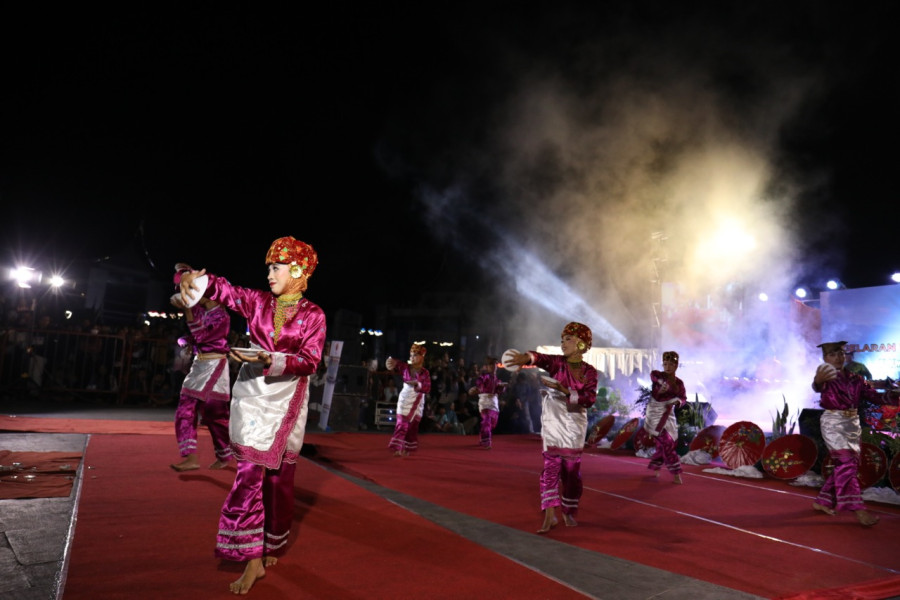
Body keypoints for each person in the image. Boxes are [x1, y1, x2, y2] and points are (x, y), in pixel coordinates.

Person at [178, 235, 325, 594]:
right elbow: (226, 290)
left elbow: (310, 361)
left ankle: (272, 544)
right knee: (248, 471)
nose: (270, 274)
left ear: (297, 270)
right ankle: (252, 557)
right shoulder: (258, 302)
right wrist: (197, 280)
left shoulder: (313, 315)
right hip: (250, 394)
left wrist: (271, 359)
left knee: (278, 478)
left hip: (287, 396)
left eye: (276, 267)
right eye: (269, 267)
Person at [505, 322, 598, 534]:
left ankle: (568, 509)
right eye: (562, 339)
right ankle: (550, 514)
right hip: (553, 418)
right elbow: (541, 358)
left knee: (571, 471)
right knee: (551, 466)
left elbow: (589, 399)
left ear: (581, 344)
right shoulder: (557, 363)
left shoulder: (590, 372)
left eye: (568, 339)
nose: (562, 343)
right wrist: (526, 358)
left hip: (574, 422)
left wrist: (563, 389)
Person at [811, 340, 899, 527]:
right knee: (846, 463)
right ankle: (858, 510)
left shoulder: (855, 378)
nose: (838, 357)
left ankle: (823, 501)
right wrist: (817, 381)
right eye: (833, 355)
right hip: (833, 423)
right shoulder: (825, 376)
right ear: (825, 358)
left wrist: (895, 394)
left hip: (852, 423)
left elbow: (874, 396)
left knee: (848, 464)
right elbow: (818, 386)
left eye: (841, 353)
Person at [170, 263, 233, 472]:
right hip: (203, 363)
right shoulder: (203, 309)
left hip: (213, 365)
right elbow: (194, 338)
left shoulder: (221, 316)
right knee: (208, 412)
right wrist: (184, 340)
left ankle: (202, 456)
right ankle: (207, 455)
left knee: (201, 409)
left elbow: (200, 335)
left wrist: (187, 309)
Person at [643, 351, 687, 484]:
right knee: (667, 442)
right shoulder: (658, 375)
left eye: (671, 364)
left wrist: (678, 401)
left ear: (676, 366)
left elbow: (683, 398)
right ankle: (676, 472)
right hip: (655, 413)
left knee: (669, 443)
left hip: (669, 413)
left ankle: (655, 465)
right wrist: (661, 385)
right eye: (665, 364)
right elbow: (653, 376)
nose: (667, 367)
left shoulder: (679, 383)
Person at [385, 344, 432, 456]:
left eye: (415, 355)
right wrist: (391, 362)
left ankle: (406, 448)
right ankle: (397, 448)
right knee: (402, 422)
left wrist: (418, 384)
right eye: (411, 355)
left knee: (412, 425)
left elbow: (427, 388)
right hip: (405, 397)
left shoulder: (424, 372)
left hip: (417, 399)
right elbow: (396, 363)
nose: (412, 357)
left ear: (422, 357)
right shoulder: (405, 367)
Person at [468, 355, 507, 449]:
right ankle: (486, 441)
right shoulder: (484, 377)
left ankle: (483, 436)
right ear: (488, 367)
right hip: (485, 401)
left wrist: (502, 388)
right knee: (487, 419)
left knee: (493, 423)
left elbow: (499, 390)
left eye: (495, 365)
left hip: (493, 402)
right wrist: (478, 389)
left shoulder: (497, 380)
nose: (494, 367)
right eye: (491, 365)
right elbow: (479, 383)